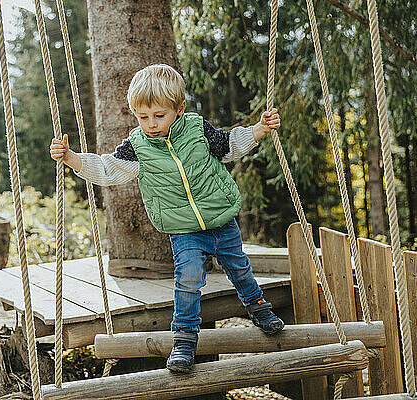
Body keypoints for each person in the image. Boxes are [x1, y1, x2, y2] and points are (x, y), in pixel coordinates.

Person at [49, 64, 283, 373]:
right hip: (184, 230)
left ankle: (258, 308)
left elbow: (228, 146)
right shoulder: (139, 147)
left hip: (221, 219)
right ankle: (184, 339)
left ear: (179, 108)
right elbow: (108, 169)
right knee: (187, 281)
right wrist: (72, 158)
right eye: (143, 117)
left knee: (240, 269)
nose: (151, 124)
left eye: (159, 116)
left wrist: (259, 129)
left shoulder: (197, 129)